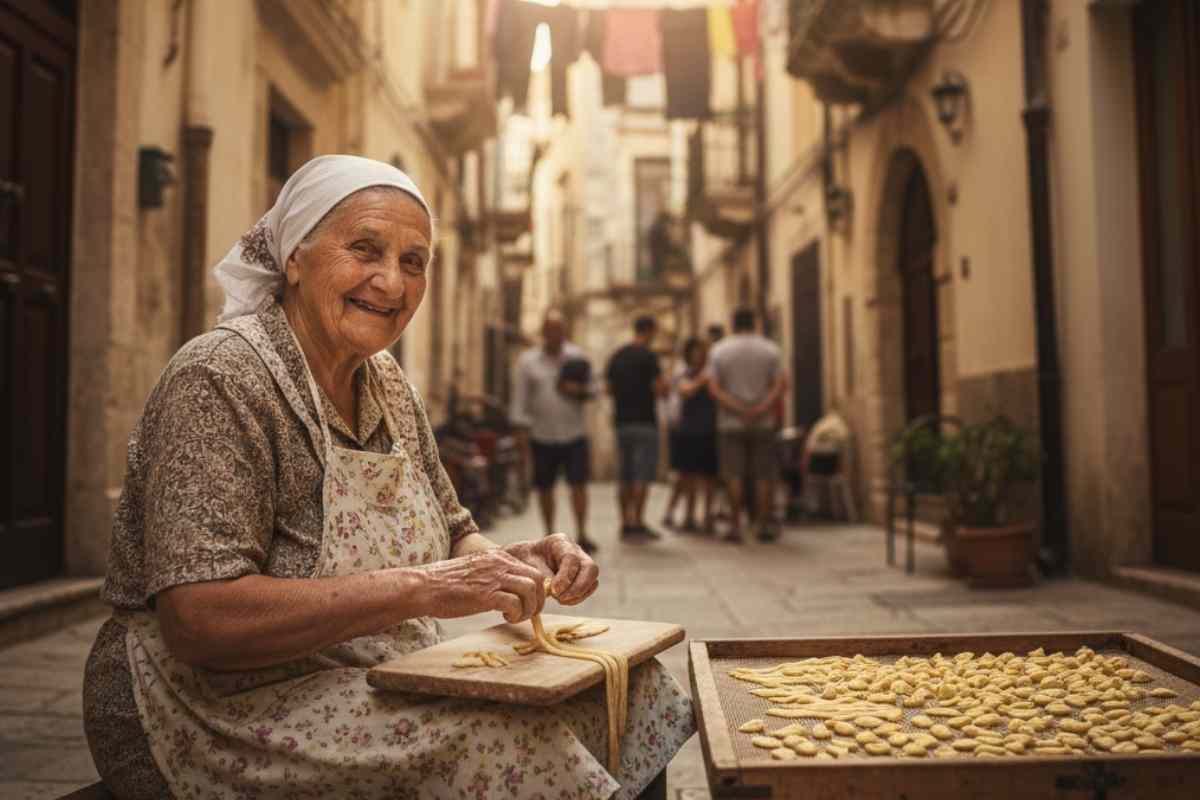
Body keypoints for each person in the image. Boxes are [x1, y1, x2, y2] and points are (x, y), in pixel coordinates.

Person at [82, 155, 693, 800]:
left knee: (630, 688)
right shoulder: (220, 377)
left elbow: (454, 533)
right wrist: (424, 588)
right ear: (294, 256)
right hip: (213, 707)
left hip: (359, 670)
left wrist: (519, 561)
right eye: (364, 249)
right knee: (513, 740)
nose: (390, 284)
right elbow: (199, 621)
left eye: (413, 262)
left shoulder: (387, 383)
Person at [511, 309, 598, 553]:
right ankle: (550, 533)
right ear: (544, 333)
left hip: (574, 433)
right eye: (550, 330)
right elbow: (520, 399)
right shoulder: (528, 361)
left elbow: (594, 389)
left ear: (564, 331)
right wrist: (520, 431)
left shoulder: (577, 357)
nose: (554, 335)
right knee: (545, 487)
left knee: (579, 485)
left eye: (558, 330)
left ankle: (582, 532)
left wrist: (577, 390)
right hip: (542, 435)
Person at [708, 307, 790, 543]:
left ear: (733, 323)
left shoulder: (720, 350)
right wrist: (760, 408)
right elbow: (780, 384)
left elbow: (714, 388)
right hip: (763, 422)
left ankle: (735, 526)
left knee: (733, 474)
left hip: (730, 423)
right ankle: (762, 524)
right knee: (764, 474)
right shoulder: (770, 349)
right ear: (755, 323)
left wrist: (738, 408)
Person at [605, 315, 668, 540]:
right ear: (650, 331)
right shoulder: (649, 357)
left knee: (625, 475)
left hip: (622, 423)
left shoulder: (618, 355)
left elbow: (608, 389)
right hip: (645, 422)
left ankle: (625, 523)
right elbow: (661, 389)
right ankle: (638, 522)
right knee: (642, 475)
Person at [671, 337, 719, 532]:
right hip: (688, 431)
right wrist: (703, 380)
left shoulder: (713, 374)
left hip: (709, 429)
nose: (698, 355)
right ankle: (689, 516)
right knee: (688, 476)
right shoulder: (685, 373)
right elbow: (685, 390)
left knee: (709, 477)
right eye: (694, 351)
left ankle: (707, 517)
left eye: (701, 351)